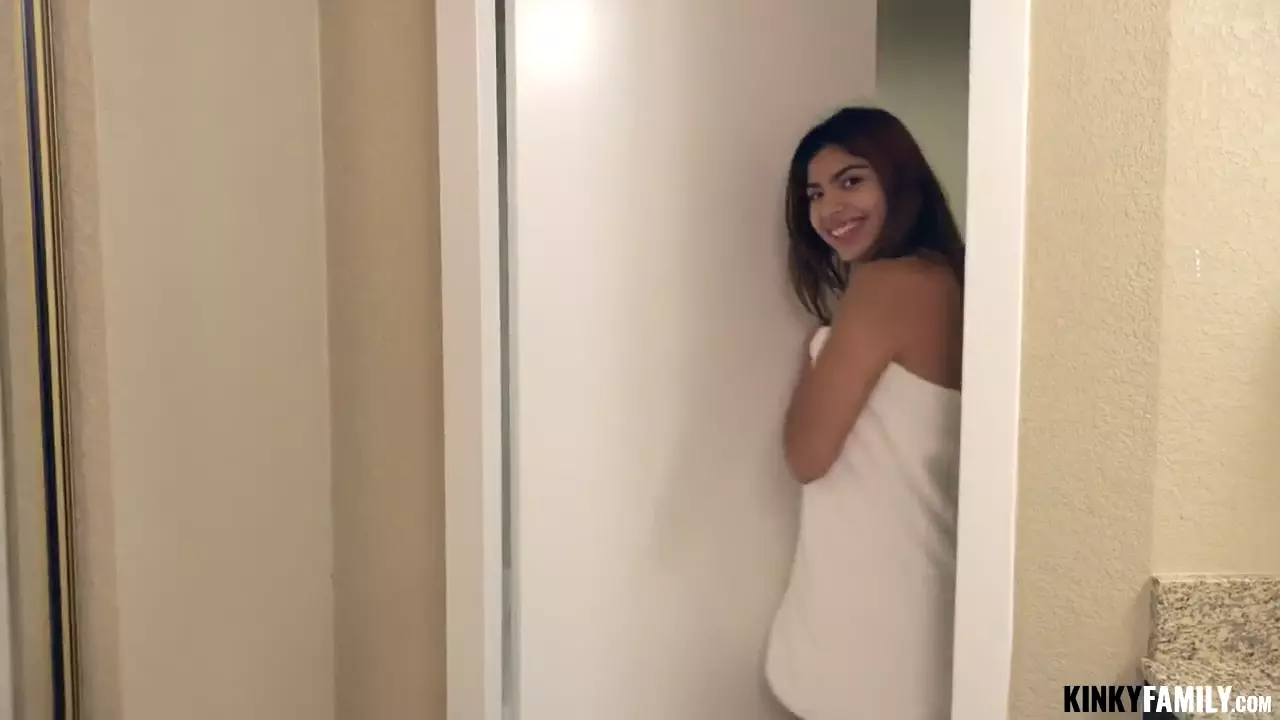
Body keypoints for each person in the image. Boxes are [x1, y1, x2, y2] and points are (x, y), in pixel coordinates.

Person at [764, 106, 965, 720]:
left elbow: (806, 455)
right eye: (815, 194)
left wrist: (814, 351)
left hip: (875, 605)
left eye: (851, 180)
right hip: (928, 593)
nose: (830, 209)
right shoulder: (951, 282)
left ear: (899, 180)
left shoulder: (888, 285)